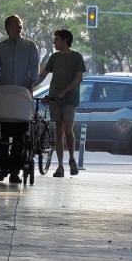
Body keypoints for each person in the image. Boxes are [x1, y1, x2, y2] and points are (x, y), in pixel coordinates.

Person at [0, 15, 40, 183]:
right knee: (1, 135)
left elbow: (34, 69)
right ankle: (3, 167)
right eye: (16, 25)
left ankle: (15, 171)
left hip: (22, 96)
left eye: (20, 25)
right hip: (4, 95)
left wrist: (31, 83)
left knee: (20, 137)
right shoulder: (0, 47)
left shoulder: (30, 47)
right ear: (8, 28)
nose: (19, 27)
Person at [40, 28, 86, 178]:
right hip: (54, 99)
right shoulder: (54, 57)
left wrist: (64, 91)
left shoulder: (77, 57)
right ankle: (60, 166)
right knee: (58, 132)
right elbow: (43, 74)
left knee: (68, 129)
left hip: (70, 100)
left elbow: (78, 78)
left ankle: (72, 159)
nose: (54, 42)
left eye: (57, 39)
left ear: (65, 40)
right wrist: (31, 84)